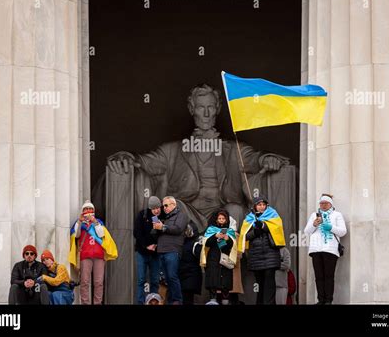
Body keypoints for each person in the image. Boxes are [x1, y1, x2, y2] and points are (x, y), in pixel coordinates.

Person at [100, 84, 289, 231]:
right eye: (200, 107)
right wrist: (127, 157)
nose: (206, 113)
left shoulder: (233, 149)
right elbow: (146, 161)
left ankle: (229, 265)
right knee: (175, 206)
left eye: (210, 107)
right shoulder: (172, 150)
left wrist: (267, 159)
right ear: (192, 109)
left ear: (217, 108)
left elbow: (255, 159)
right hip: (188, 211)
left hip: (223, 210)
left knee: (236, 210)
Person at [68, 200, 118, 304]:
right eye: (86, 209)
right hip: (85, 255)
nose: (88, 211)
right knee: (85, 282)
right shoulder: (79, 223)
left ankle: (97, 303)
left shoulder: (99, 222)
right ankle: (85, 303)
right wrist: (79, 222)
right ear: (82, 211)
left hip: (99, 256)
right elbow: (76, 235)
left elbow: (101, 235)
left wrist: (94, 221)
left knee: (98, 282)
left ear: (93, 210)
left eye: (90, 209)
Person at [238, 196, 286, 305]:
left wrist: (264, 226)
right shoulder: (249, 218)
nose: (262, 207)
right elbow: (245, 236)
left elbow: (278, 230)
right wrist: (255, 231)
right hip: (256, 256)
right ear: (255, 206)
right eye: (259, 205)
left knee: (269, 282)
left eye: (264, 205)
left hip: (270, 256)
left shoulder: (273, 215)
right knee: (260, 283)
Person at [304, 194, 347, 305]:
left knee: (329, 276)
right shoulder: (314, 215)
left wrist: (331, 227)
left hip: (330, 250)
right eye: (321, 203)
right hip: (316, 249)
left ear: (330, 204)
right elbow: (307, 231)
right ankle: (320, 300)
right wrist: (314, 224)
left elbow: (343, 231)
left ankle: (328, 300)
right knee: (318, 276)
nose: (323, 205)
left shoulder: (337, 215)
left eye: (325, 203)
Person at [153, 196, 189, 304]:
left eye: (166, 205)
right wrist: (156, 227)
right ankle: (170, 300)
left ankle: (177, 300)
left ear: (174, 205)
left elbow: (178, 229)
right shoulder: (165, 218)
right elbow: (155, 234)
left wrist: (163, 227)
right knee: (165, 279)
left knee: (172, 276)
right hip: (161, 251)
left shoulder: (181, 215)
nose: (164, 208)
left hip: (172, 250)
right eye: (163, 205)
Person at [201, 209, 237, 305]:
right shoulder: (210, 230)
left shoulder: (230, 231)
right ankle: (212, 301)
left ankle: (225, 301)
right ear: (216, 220)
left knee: (225, 283)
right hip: (213, 259)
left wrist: (227, 239)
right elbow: (207, 244)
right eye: (219, 218)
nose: (221, 220)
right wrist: (215, 236)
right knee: (213, 281)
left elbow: (232, 247)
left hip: (225, 259)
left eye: (223, 218)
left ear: (226, 220)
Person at [133, 196, 162, 304]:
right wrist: (146, 245)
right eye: (154, 209)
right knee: (141, 279)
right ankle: (140, 302)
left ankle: (155, 302)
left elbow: (162, 235)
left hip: (155, 254)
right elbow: (137, 233)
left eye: (158, 208)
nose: (156, 210)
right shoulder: (142, 215)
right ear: (150, 208)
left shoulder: (162, 216)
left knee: (155, 280)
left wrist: (156, 246)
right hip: (142, 252)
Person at [179, 221, 203, 305]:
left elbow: (201, 257)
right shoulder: (181, 243)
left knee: (188, 299)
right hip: (183, 276)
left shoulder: (196, 244)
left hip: (191, 276)